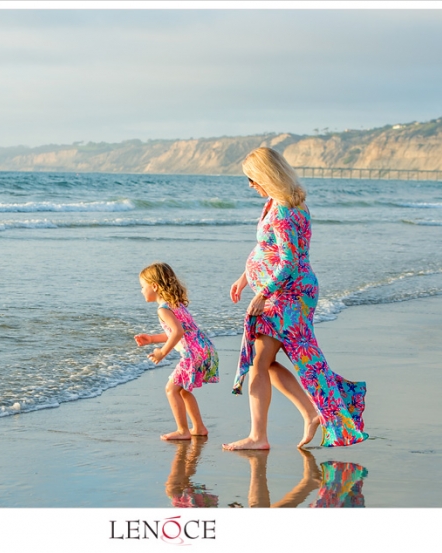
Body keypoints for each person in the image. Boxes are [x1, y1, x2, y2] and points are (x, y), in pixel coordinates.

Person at [223, 147, 368, 450]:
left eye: (252, 178)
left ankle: (260, 436)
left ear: (266, 175)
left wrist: (263, 293)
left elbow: (288, 261)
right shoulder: (276, 203)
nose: (250, 184)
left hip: (288, 294)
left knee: (262, 364)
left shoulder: (285, 210)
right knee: (266, 363)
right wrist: (244, 277)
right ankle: (310, 413)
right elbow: (266, 250)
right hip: (289, 292)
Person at [135, 262, 219, 440]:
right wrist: (151, 339)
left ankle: (183, 430)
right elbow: (178, 332)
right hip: (205, 349)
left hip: (193, 353)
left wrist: (162, 353)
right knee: (183, 390)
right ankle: (199, 427)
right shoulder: (175, 304)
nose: (141, 291)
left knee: (171, 390)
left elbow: (178, 332)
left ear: (155, 286)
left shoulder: (163, 309)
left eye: (143, 287)